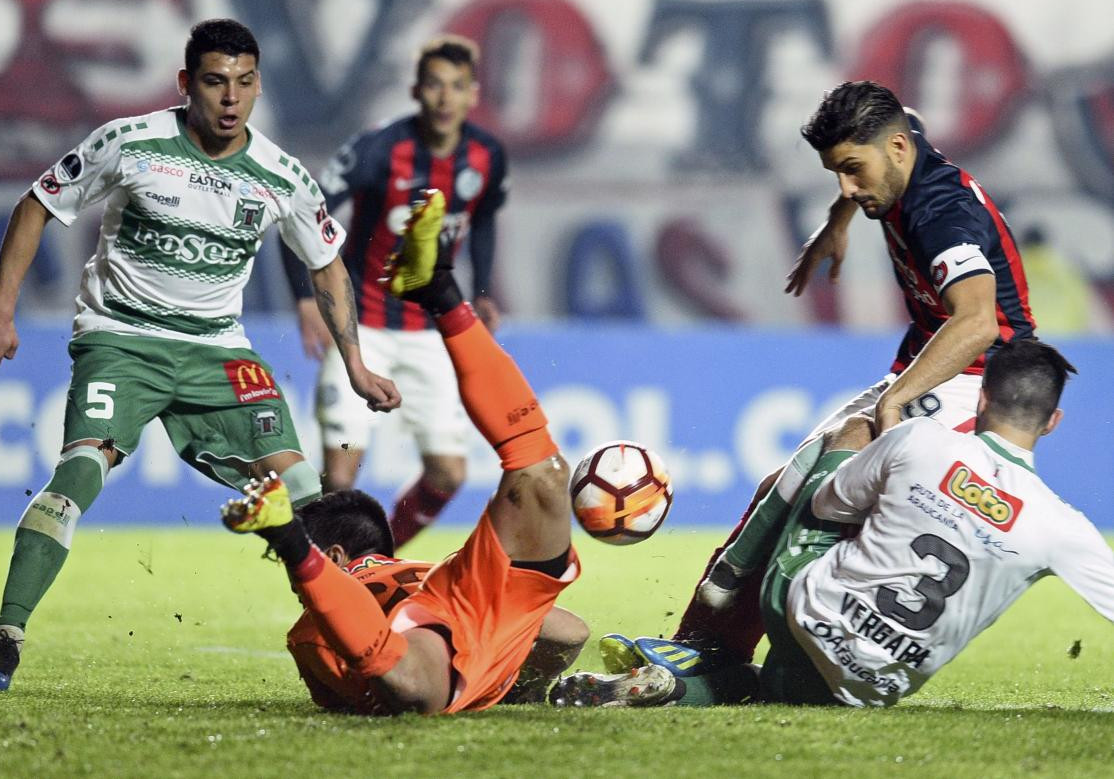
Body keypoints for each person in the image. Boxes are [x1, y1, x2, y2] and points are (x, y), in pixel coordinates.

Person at [0, 18, 400, 693]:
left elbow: (328, 267)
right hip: (122, 340)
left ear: (258, 87)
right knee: (79, 472)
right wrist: (0, 307)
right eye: (216, 82)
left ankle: (364, 647)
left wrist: (357, 364)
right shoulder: (131, 141)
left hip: (219, 350)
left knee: (309, 494)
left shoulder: (280, 175)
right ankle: (5, 639)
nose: (231, 98)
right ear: (186, 84)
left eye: (246, 83)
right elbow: (37, 204)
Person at [601, 80, 1037, 678]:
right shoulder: (899, 139)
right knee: (781, 484)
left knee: (821, 503)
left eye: (854, 173)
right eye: (836, 175)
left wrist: (902, 397)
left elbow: (979, 322)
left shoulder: (941, 214)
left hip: (982, 378)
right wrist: (837, 220)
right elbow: (894, 125)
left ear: (899, 151)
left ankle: (775, 655)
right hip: (933, 362)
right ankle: (703, 644)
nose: (849, 189)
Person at [556, 339, 1114, 708]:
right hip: (876, 680)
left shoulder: (921, 440)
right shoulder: (1062, 526)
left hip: (803, 607)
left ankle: (723, 585)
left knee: (850, 433)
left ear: (982, 397)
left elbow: (826, 506)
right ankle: (681, 688)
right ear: (1054, 422)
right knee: (780, 693)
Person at [225, 189, 583, 714]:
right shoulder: (414, 568)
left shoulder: (314, 628)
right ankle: (441, 291)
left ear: (342, 557)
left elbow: (346, 691)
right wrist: (514, 674)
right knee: (543, 472)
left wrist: (300, 547)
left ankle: (291, 536)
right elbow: (569, 633)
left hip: (421, 619)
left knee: (415, 685)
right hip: (460, 585)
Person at [279, 34, 508, 549]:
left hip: (430, 335)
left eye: (456, 87)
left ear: (473, 94)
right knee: (339, 479)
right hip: (362, 332)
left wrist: (486, 288)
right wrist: (304, 299)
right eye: (434, 85)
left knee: (448, 474)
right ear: (416, 90)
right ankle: (322, 579)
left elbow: (486, 219)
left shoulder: (486, 157)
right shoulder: (378, 149)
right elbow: (301, 216)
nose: (445, 98)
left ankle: (372, 560)